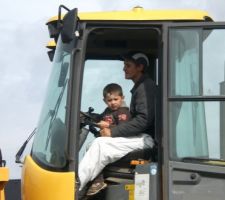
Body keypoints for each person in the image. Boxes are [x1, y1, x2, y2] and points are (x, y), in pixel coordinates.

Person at [78, 52, 156, 197]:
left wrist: (112, 132)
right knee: (94, 145)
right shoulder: (140, 87)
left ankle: (75, 188)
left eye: (128, 65)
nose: (124, 69)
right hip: (140, 137)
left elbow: (143, 121)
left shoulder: (146, 87)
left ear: (140, 67)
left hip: (145, 139)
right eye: (124, 65)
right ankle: (94, 182)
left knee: (100, 145)